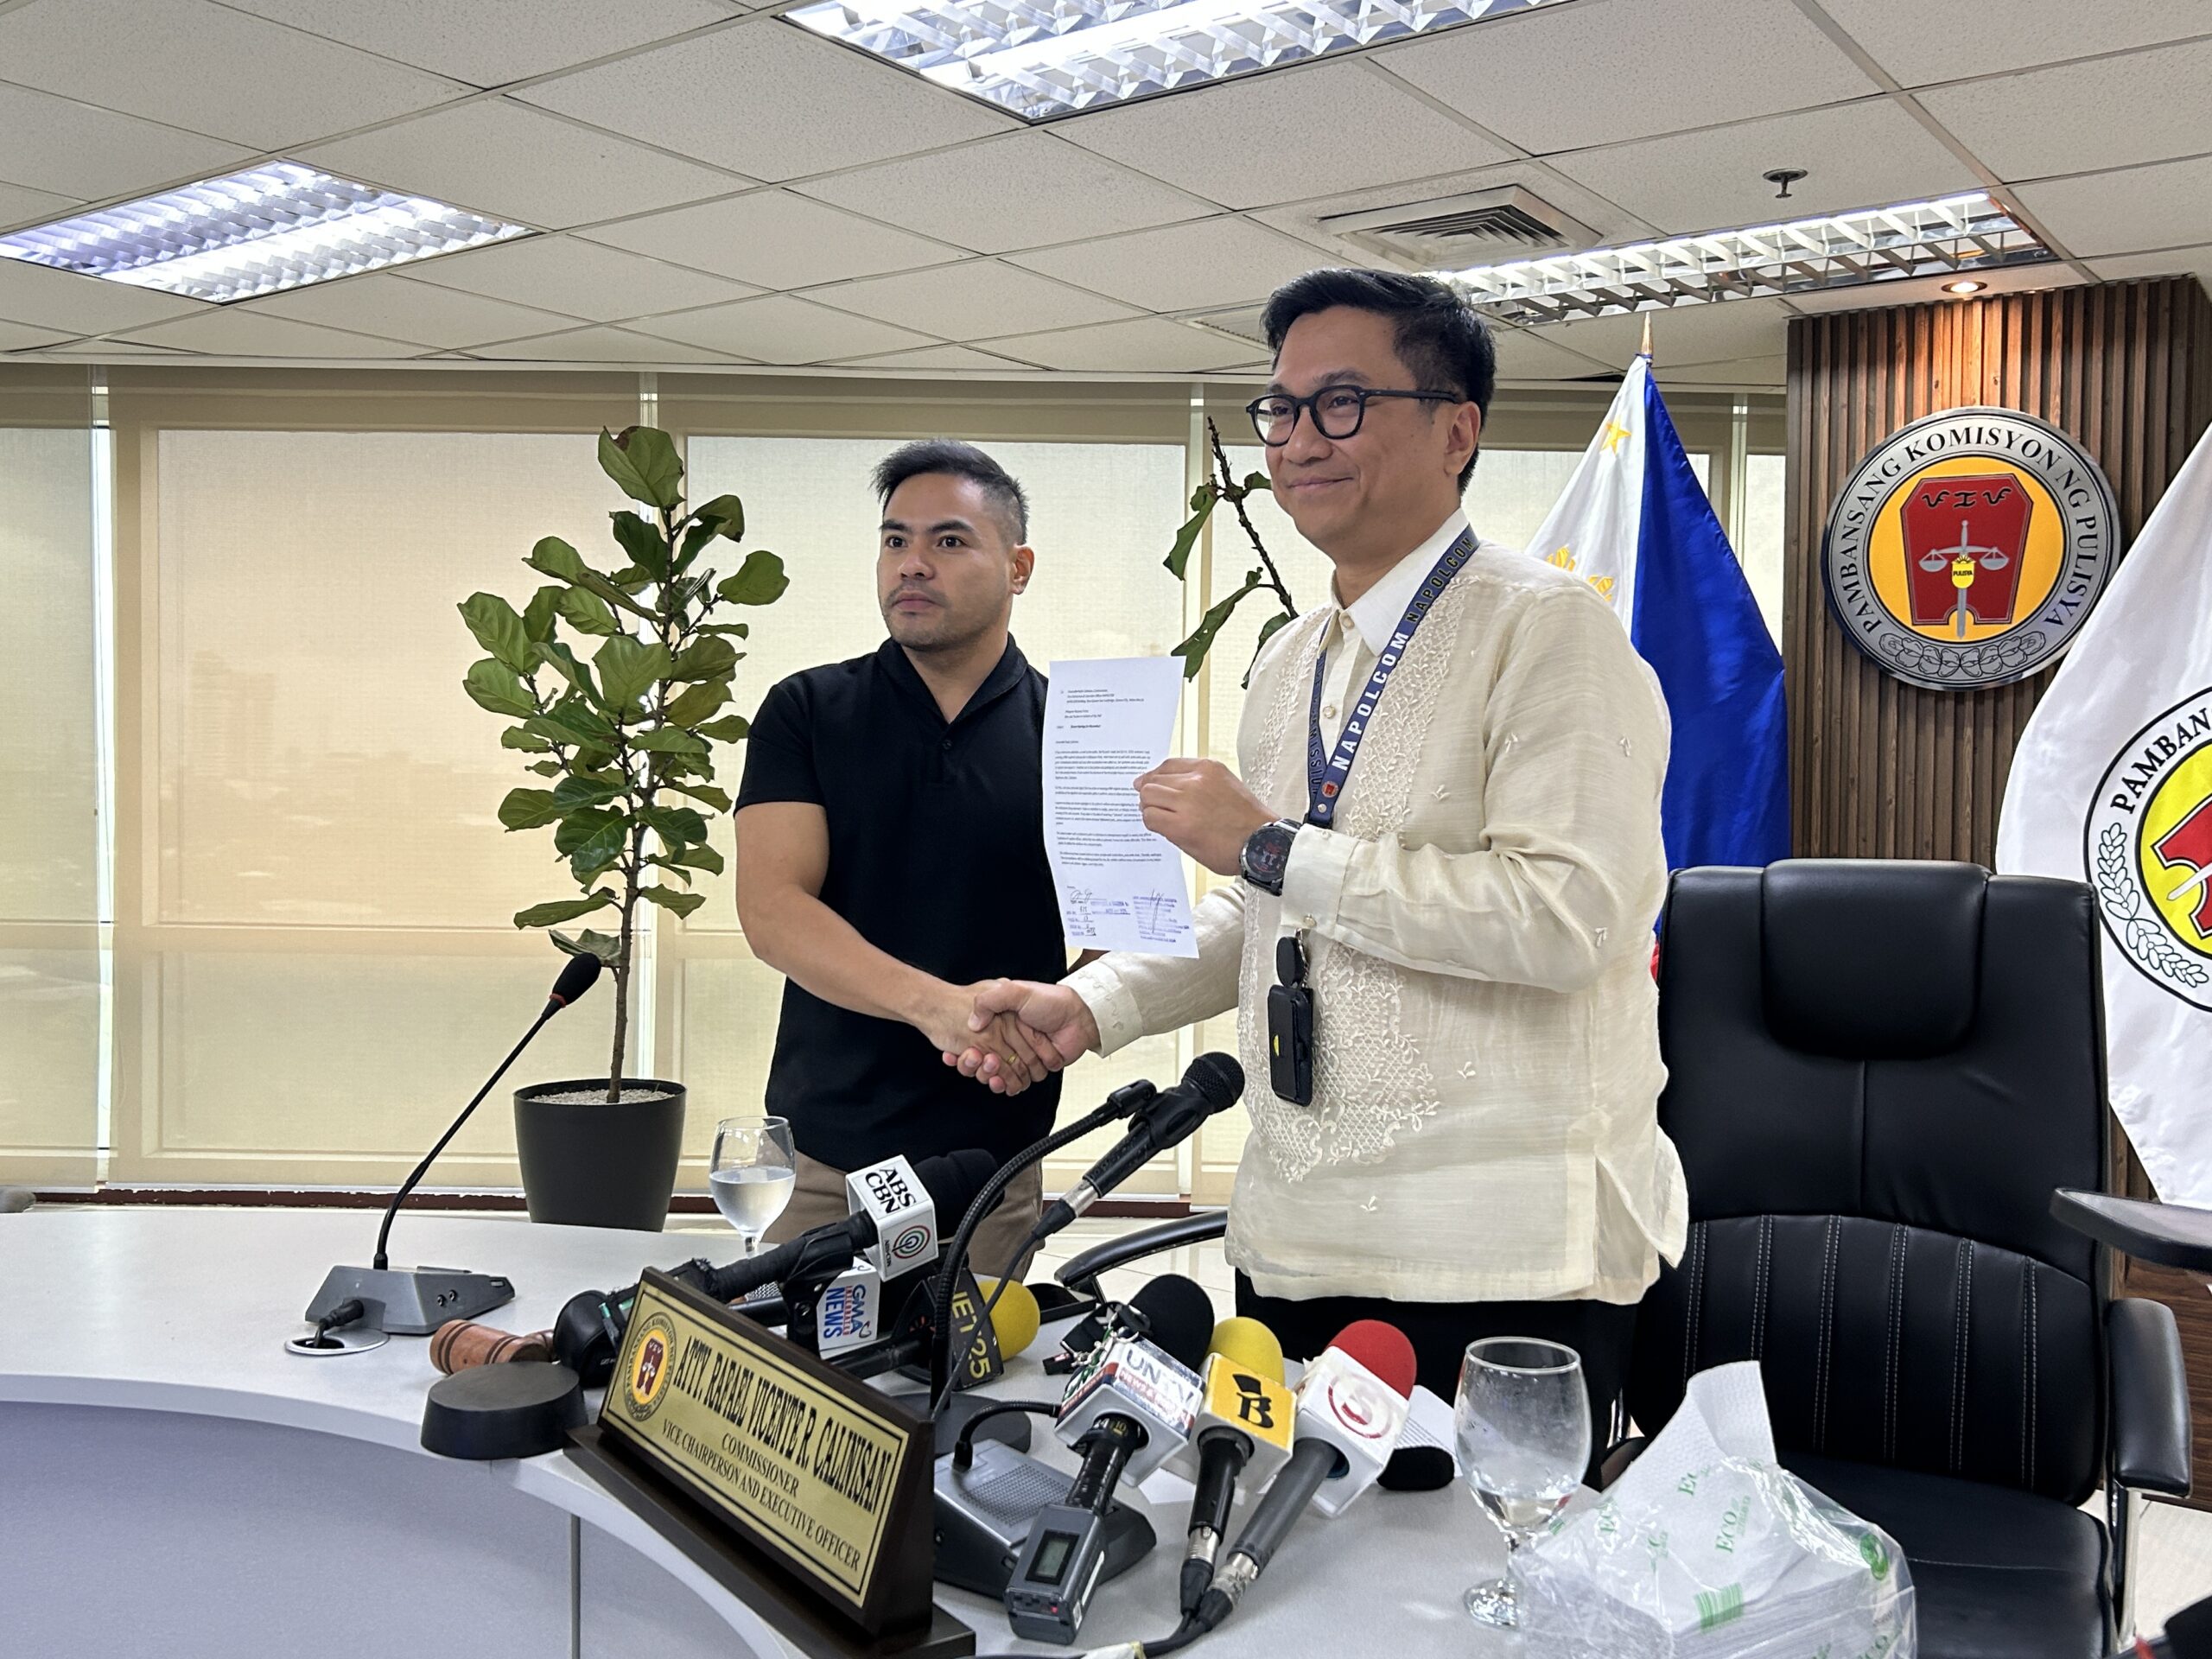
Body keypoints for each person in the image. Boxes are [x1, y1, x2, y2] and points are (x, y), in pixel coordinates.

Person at [956, 270, 1687, 1439]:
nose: (1298, 440)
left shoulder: (1550, 630)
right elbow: (1273, 908)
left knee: (1478, 1561)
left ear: (1457, 432)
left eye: (1342, 403)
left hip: (1498, 1256)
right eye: (1281, 409)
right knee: (1274, 1546)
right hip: (1298, 1235)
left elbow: (1566, 921)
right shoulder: (1293, 658)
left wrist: (1267, 843)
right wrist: (1091, 1005)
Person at [736, 439, 1065, 1274]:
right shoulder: (807, 710)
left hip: (993, 1167)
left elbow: (1114, 928)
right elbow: (773, 912)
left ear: (1018, 567)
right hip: (823, 1158)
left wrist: (1063, 1017)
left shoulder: (1075, 730)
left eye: (948, 540)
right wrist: (937, 1008)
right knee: (793, 1361)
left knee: (968, 1362)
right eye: (895, 540)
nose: (912, 564)